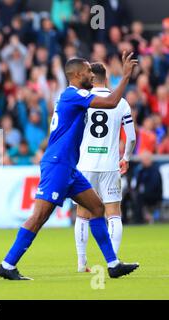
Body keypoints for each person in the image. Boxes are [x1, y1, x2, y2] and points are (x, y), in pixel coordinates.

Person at [0, 52, 140, 280]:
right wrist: (124, 77)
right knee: (39, 217)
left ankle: (113, 264)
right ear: (75, 75)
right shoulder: (73, 95)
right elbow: (112, 103)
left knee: (96, 208)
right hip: (58, 165)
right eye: (87, 72)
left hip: (69, 167)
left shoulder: (75, 95)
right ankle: (7, 264)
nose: (91, 75)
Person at [75, 62, 136, 273]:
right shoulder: (121, 102)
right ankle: (114, 260)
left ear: (91, 78)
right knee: (113, 213)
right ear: (106, 78)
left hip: (85, 165)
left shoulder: (83, 100)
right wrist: (126, 157)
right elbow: (132, 137)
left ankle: (82, 263)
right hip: (110, 165)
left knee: (82, 212)